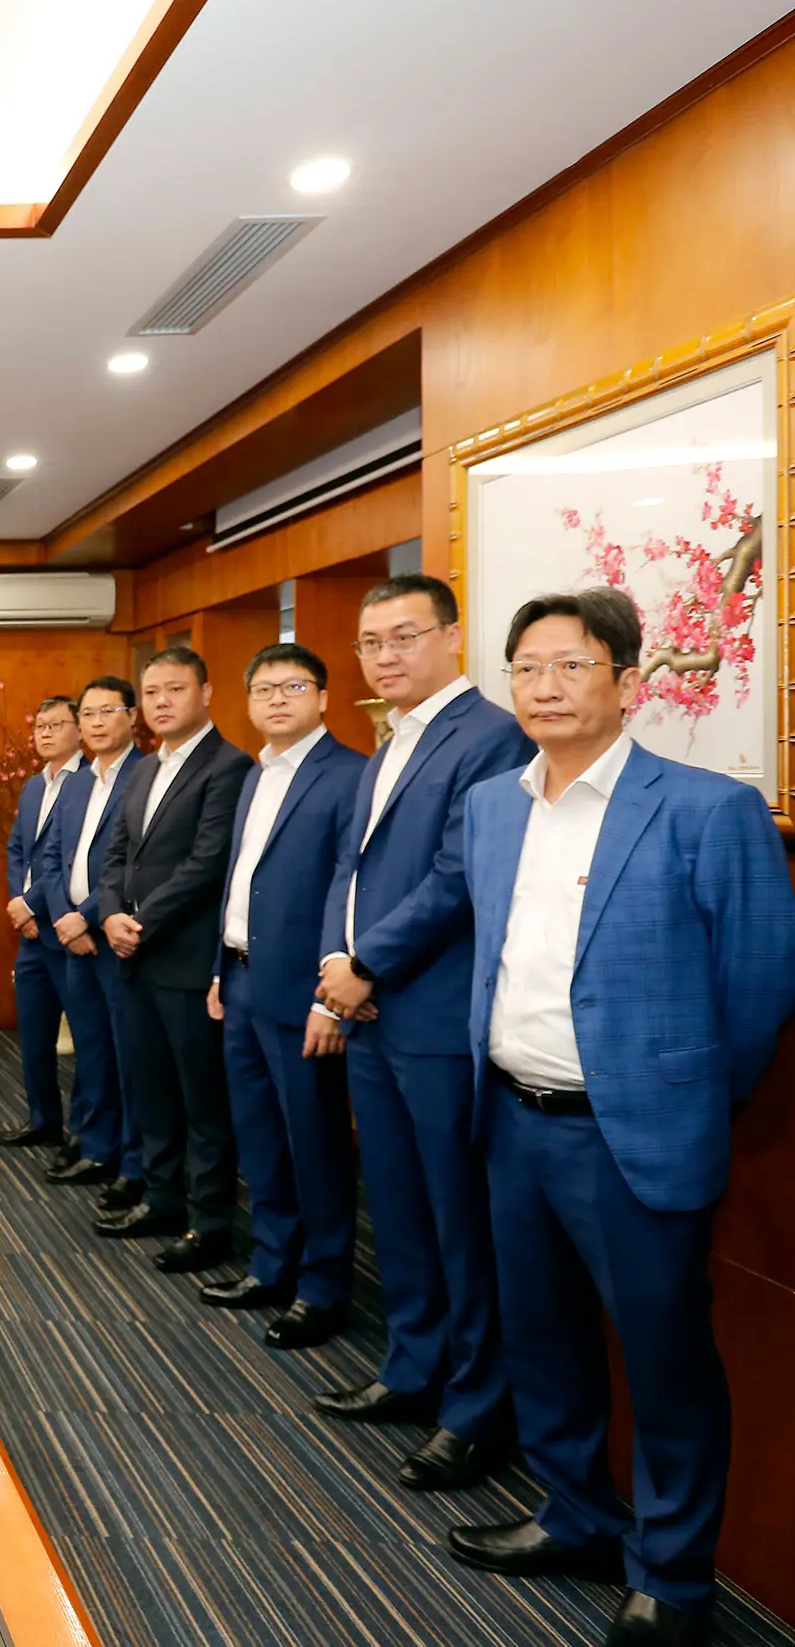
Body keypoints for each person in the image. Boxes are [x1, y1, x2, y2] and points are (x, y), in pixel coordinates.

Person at [446, 589, 795, 1647]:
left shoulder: (705, 809)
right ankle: (573, 1513)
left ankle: (671, 1574)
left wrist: (677, 1099)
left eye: (570, 665)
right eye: (525, 668)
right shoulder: (492, 804)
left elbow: (754, 987)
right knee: (542, 1337)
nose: (543, 687)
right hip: (511, 1119)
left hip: (629, 1134)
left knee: (663, 1358)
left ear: (627, 683)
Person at [313, 573, 533, 1494]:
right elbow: (350, 867)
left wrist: (367, 963)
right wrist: (337, 964)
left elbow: (456, 877)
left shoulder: (490, 734)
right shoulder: (391, 740)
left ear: (450, 636)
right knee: (398, 1207)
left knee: (456, 1219)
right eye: (369, 642)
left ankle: (473, 1408)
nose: (384, 656)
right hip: (371, 1011)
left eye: (403, 636)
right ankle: (410, 1366)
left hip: (435, 1018)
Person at [202, 646, 364, 1347]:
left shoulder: (349, 775)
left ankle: (321, 1287)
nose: (275, 699)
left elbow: (348, 889)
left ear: (322, 697)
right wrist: (220, 967)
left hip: (303, 992)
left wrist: (330, 999)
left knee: (314, 1143)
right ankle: (271, 1265)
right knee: (260, 1135)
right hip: (240, 980)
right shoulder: (255, 773)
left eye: (292, 686)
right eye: (263, 688)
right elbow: (240, 880)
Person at [90, 649, 252, 1271]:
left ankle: (209, 1224)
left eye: (175, 689)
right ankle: (160, 1200)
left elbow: (207, 863)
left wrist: (141, 922)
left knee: (202, 1100)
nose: (161, 701)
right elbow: (116, 855)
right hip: (133, 958)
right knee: (150, 1088)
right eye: (152, 691)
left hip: (185, 961)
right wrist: (110, 914)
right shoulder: (143, 769)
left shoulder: (228, 766)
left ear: (205, 692)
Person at [32, 676, 147, 1198]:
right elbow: (52, 858)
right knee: (92, 1050)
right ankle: (96, 1146)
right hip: (72, 938)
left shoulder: (146, 775)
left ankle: (132, 1160)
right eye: (90, 715)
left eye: (108, 712)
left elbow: (135, 863)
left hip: (116, 938)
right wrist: (64, 916)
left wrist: (87, 916)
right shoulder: (78, 783)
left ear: (132, 717)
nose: (97, 723)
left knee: (129, 1057)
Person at [0, 696, 83, 1149]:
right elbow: (17, 851)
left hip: (69, 930)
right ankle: (42, 1119)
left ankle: (86, 1136)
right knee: (33, 1034)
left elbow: (70, 861)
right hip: (30, 935)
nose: (45, 733)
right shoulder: (34, 786)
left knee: (87, 1040)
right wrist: (19, 902)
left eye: (55, 724)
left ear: (79, 729)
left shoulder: (89, 783)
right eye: (39, 726)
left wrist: (31, 905)